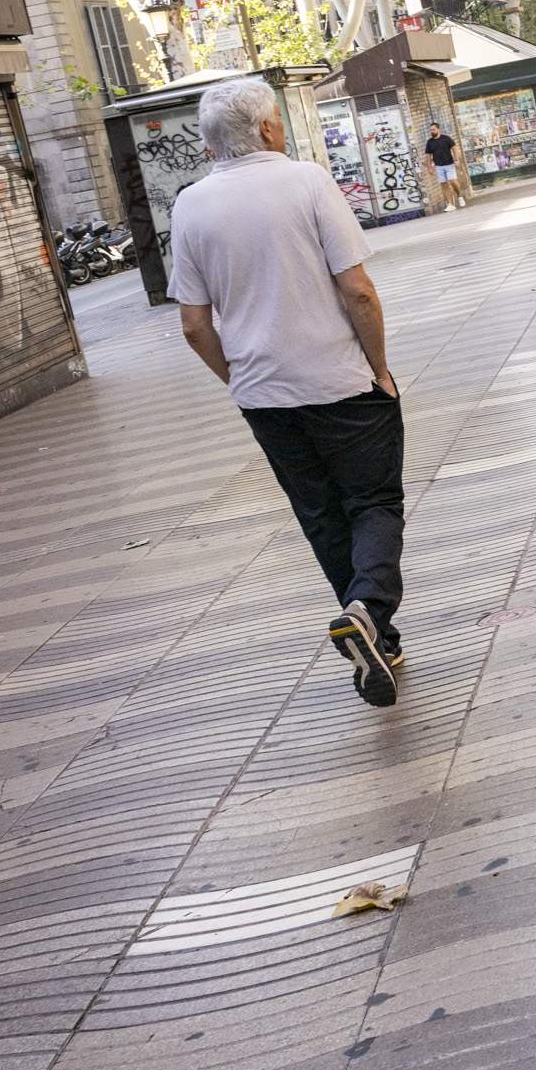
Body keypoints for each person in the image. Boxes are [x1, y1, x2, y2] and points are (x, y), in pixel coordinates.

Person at [169, 77, 406, 705]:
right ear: (268, 129)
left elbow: (194, 325)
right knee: (374, 503)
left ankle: (375, 637)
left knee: (322, 515)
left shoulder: (189, 205)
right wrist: (380, 369)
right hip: (342, 384)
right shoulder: (306, 181)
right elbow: (357, 290)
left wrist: (239, 377)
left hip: (265, 400)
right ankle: (370, 609)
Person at [423, 120, 471, 211]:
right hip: (438, 166)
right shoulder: (430, 142)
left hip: (449, 164)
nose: (432, 132)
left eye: (433, 130)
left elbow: (455, 149)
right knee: (444, 185)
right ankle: (450, 204)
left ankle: (459, 196)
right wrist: (429, 167)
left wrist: (457, 160)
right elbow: (428, 155)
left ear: (438, 129)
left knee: (452, 181)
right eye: (430, 130)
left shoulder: (446, 138)